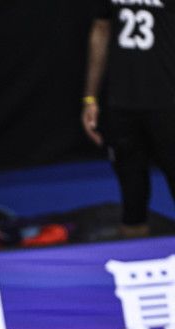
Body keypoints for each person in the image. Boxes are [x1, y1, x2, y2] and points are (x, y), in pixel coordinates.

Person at [83, 0, 175, 239]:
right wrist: (90, 97)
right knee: (132, 200)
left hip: (167, 101)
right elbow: (101, 28)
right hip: (122, 102)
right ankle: (135, 252)